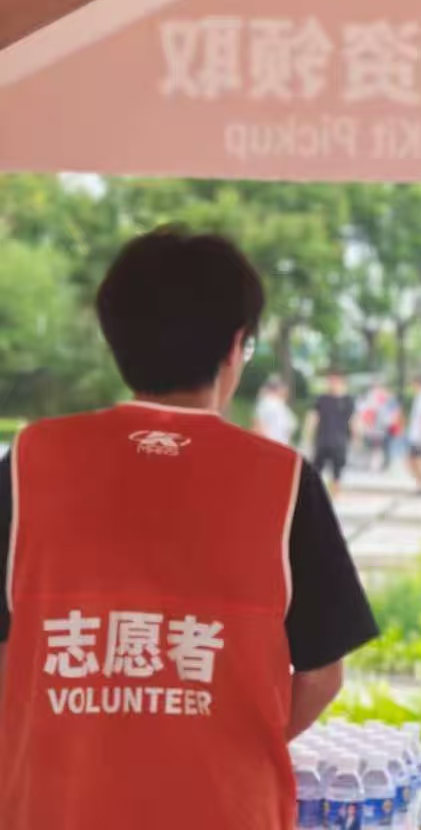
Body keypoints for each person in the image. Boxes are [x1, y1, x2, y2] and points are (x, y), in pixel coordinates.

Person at [0, 229, 379, 829]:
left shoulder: (29, 461)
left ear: (116, 339)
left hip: (51, 808)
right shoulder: (282, 480)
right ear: (235, 346)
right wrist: (225, 739)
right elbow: (321, 674)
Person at [305, 369, 356, 497]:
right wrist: (308, 436)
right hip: (322, 440)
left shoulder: (348, 400)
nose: (332, 383)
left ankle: (334, 495)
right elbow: (313, 417)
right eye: (330, 381)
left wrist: (356, 437)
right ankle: (313, 495)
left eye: (335, 381)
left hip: (339, 441)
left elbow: (353, 420)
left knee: (337, 471)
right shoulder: (321, 399)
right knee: (316, 469)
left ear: (342, 382)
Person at [254, 374, 297, 446]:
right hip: (271, 444)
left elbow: (288, 435)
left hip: (277, 445)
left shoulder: (284, 408)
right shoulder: (268, 402)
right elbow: (259, 424)